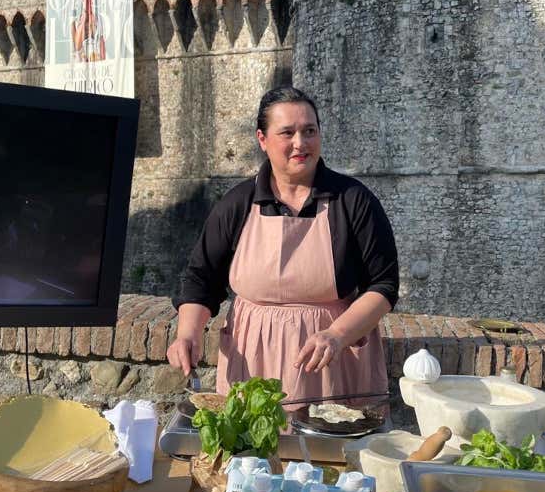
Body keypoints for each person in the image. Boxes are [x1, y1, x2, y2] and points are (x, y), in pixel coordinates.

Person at [167, 86, 399, 402]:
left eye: (309, 131)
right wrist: (187, 335)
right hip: (251, 363)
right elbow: (201, 279)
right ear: (262, 140)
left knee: (329, 448)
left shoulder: (354, 202)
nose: (300, 143)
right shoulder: (237, 204)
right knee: (252, 448)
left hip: (333, 363)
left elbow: (384, 285)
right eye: (287, 133)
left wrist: (336, 335)